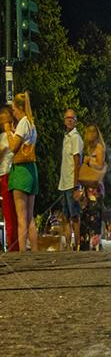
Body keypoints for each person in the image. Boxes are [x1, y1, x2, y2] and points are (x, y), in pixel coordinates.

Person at [5, 92, 39, 251]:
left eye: (13, 109)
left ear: (19, 107)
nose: (13, 112)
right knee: (30, 217)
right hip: (32, 170)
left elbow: (13, 147)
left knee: (21, 217)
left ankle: (23, 254)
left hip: (21, 172)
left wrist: (7, 131)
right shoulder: (31, 123)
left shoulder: (22, 123)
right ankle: (35, 252)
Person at [79, 125, 107, 249]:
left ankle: (94, 245)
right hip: (87, 186)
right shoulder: (88, 148)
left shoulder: (99, 147)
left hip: (95, 188)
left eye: (93, 131)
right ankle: (85, 244)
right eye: (88, 131)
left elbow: (100, 165)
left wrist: (88, 161)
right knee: (85, 215)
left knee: (94, 217)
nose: (91, 133)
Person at [59, 108, 84, 251]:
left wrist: (77, 185)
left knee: (75, 216)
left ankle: (77, 246)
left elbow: (77, 162)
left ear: (75, 121)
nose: (69, 120)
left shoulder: (75, 138)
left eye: (72, 118)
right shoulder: (66, 137)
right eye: (67, 117)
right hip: (63, 183)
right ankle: (68, 245)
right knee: (65, 217)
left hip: (71, 183)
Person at [0, 105, 16, 252]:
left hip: (7, 174)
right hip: (4, 174)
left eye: (4, 115)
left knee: (10, 213)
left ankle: (13, 246)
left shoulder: (11, 135)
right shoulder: (5, 135)